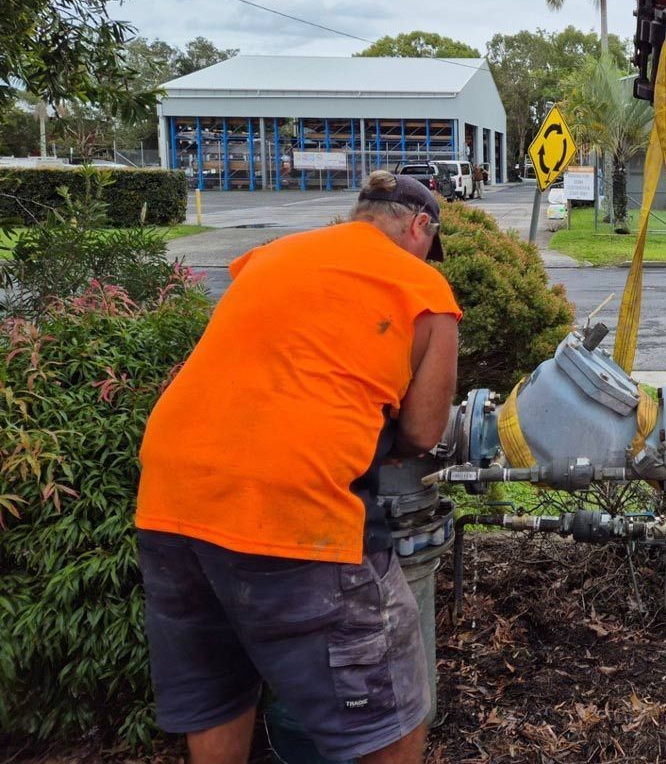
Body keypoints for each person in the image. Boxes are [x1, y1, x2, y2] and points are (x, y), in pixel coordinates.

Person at [135, 171, 461, 764]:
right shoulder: (425, 289)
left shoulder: (269, 257)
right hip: (292, 509)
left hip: (170, 496)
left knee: (217, 695)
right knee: (392, 714)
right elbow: (421, 432)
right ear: (419, 227)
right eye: (427, 243)